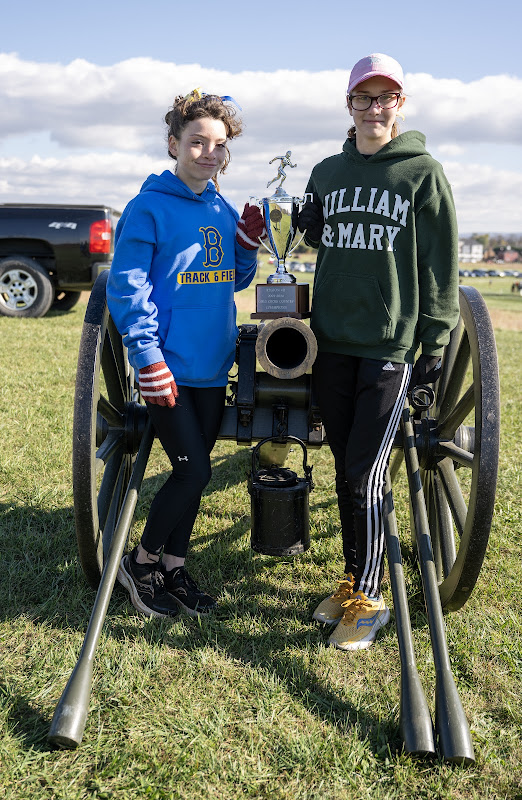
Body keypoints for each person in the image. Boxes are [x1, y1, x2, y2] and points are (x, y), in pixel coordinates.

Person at [298, 53, 459, 650]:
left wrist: (434, 345)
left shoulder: (422, 173)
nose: (373, 107)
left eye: (384, 97)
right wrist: (307, 224)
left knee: (366, 473)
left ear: (400, 104)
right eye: (363, 98)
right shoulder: (324, 172)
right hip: (331, 340)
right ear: (349, 105)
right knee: (346, 466)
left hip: (390, 344)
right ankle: (354, 579)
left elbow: (440, 266)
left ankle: (369, 601)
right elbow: (318, 241)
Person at [107, 89, 265, 619]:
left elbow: (233, 282)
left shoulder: (220, 206)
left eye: (218, 145)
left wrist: (244, 244)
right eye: (197, 142)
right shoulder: (148, 207)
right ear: (174, 143)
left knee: (192, 473)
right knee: (192, 472)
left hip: (211, 365)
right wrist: (147, 358)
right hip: (167, 367)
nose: (208, 153)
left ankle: (173, 566)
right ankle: (140, 562)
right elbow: (127, 288)